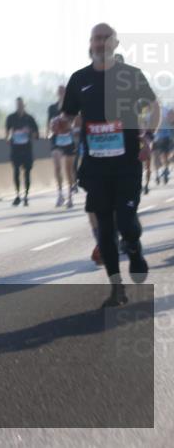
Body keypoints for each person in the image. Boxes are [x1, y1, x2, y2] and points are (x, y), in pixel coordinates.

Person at [53, 23, 159, 307]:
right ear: (91, 43)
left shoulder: (130, 76)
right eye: (95, 39)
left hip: (127, 163)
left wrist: (148, 137)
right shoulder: (79, 79)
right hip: (96, 167)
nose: (100, 43)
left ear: (115, 43)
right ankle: (116, 287)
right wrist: (59, 123)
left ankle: (135, 249)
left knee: (126, 222)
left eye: (105, 38)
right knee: (104, 229)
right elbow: (68, 116)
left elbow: (153, 106)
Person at [47, 85, 78, 208]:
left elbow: (75, 123)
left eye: (64, 92)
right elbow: (49, 123)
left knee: (68, 170)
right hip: (56, 140)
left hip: (68, 140)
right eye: (59, 92)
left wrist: (68, 124)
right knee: (57, 167)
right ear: (57, 93)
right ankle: (60, 194)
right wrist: (50, 131)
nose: (61, 94)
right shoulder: (52, 108)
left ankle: (70, 196)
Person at [5, 97, 39, 206]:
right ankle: (17, 195)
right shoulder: (11, 118)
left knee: (27, 173)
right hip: (16, 148)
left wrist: (29, 132)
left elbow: (36, 135)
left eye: (21, 104)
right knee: (16, 171)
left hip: (27, 149)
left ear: (24, 105)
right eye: (17, 104)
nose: (19, 106)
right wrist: (9, 138)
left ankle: (26, 195)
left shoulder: (29, 118)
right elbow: (7, 133)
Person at [153, 105, 173, 186]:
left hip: (161, 137)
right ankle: (161, 172)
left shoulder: (165, 109)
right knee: (162, 155)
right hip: (160, 137)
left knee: (159, 156)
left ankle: (162, 171)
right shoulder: (166, 109)